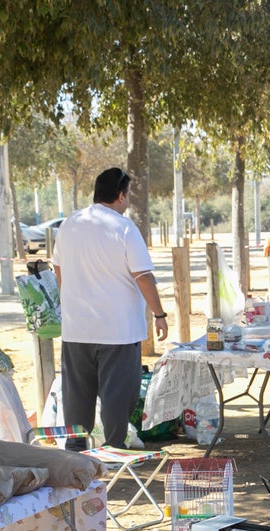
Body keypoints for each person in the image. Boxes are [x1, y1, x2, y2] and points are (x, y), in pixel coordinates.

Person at [53, 167, 168, 450]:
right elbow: (143, 276)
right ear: (120, 196)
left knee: (77, 399)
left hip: (77, 329)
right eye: (127, 195)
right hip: (119, 332)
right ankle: (114, 451)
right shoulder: (124, 227)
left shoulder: (70, 224)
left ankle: (77, 457)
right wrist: (159, 314)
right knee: (119, 399)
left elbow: (58, 269)